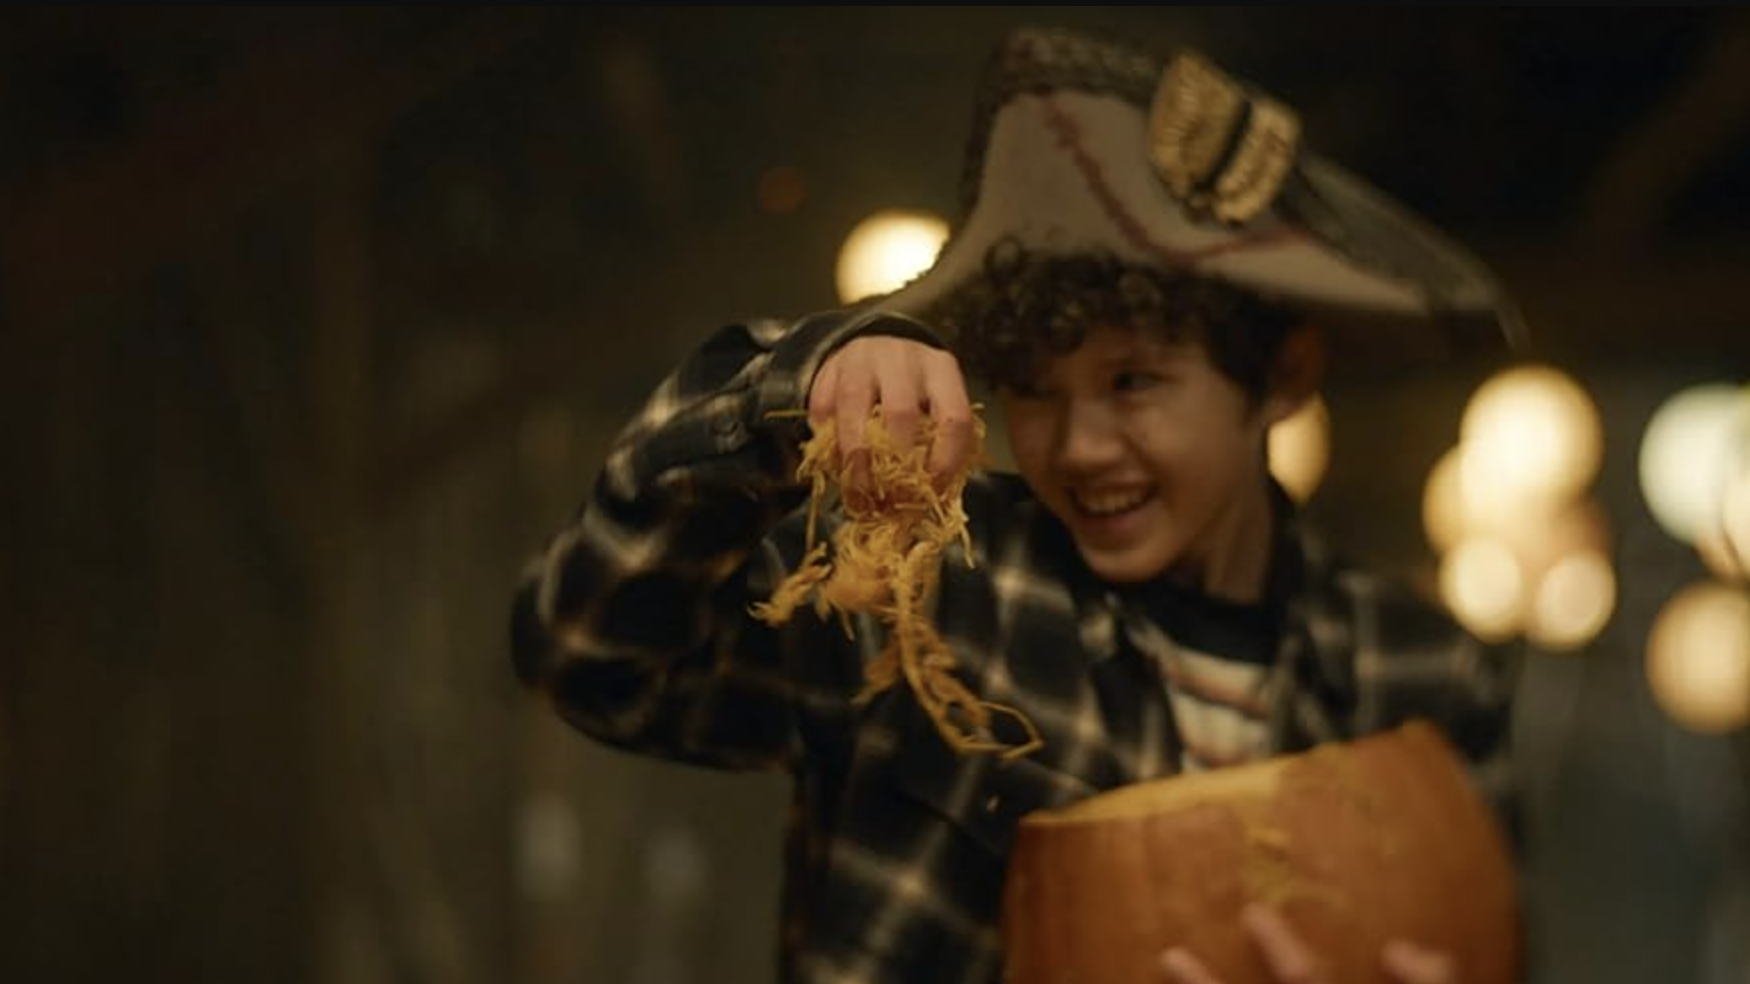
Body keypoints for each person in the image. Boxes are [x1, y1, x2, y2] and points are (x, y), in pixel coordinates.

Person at [510, 24, 1526, 984]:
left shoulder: (1423, 675)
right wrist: (789, 389)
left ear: (1285, 376)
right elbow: (587, 655)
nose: (1077, 447)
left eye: (1134, 383)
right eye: (1033, 389)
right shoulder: (924, 593)